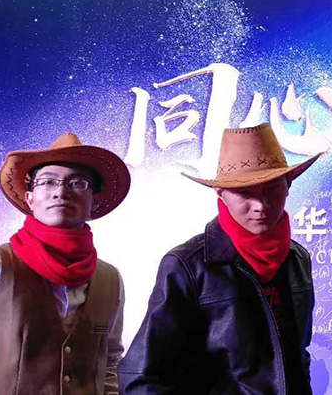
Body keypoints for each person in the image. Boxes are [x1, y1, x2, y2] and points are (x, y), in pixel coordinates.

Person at [119, 124, 319, 394]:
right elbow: (140, 377)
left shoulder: (297, 258)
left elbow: (297, 355)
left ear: (288, 185)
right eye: (245, 192)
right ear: (221, 193)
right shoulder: (187, 265)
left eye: (272, 189)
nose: (260, 205)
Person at [0, 132, 130, 395]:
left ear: (94, 200)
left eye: (78, 183)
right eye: (47, 182)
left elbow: (110, 362)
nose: (60, 192)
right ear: (30, 198)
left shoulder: (109, 279)